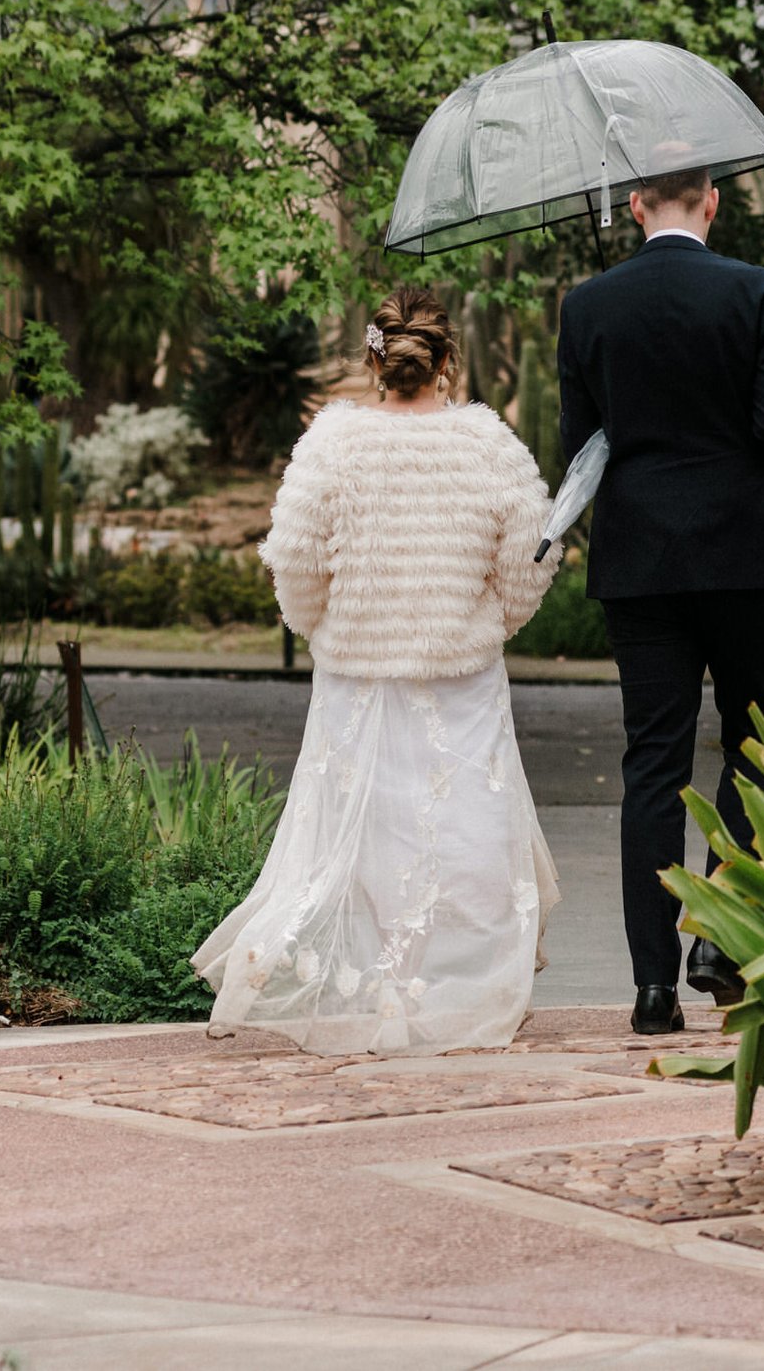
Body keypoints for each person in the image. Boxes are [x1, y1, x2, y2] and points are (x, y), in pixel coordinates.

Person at [192, 286, 562, 1055]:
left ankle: (373, 984)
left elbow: (292, 560)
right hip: (459, 676)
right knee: (464, 835)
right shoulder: (490, 445)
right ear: (446, 361)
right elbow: (533, 557)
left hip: (356, 676)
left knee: (359, 839)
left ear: (375, 360)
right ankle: (459, 987)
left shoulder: (333, 443)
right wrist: (487, 625)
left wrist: (325, 627)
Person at [557, 162, 764, 1035]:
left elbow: (578, 445)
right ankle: (720, 938)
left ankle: (653, 986)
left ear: (634, 206)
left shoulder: (587, 307)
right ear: (712, 201)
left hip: (642, 563)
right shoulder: (759, 292)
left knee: (652, 762)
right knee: (757, 741)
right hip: (748, 553)